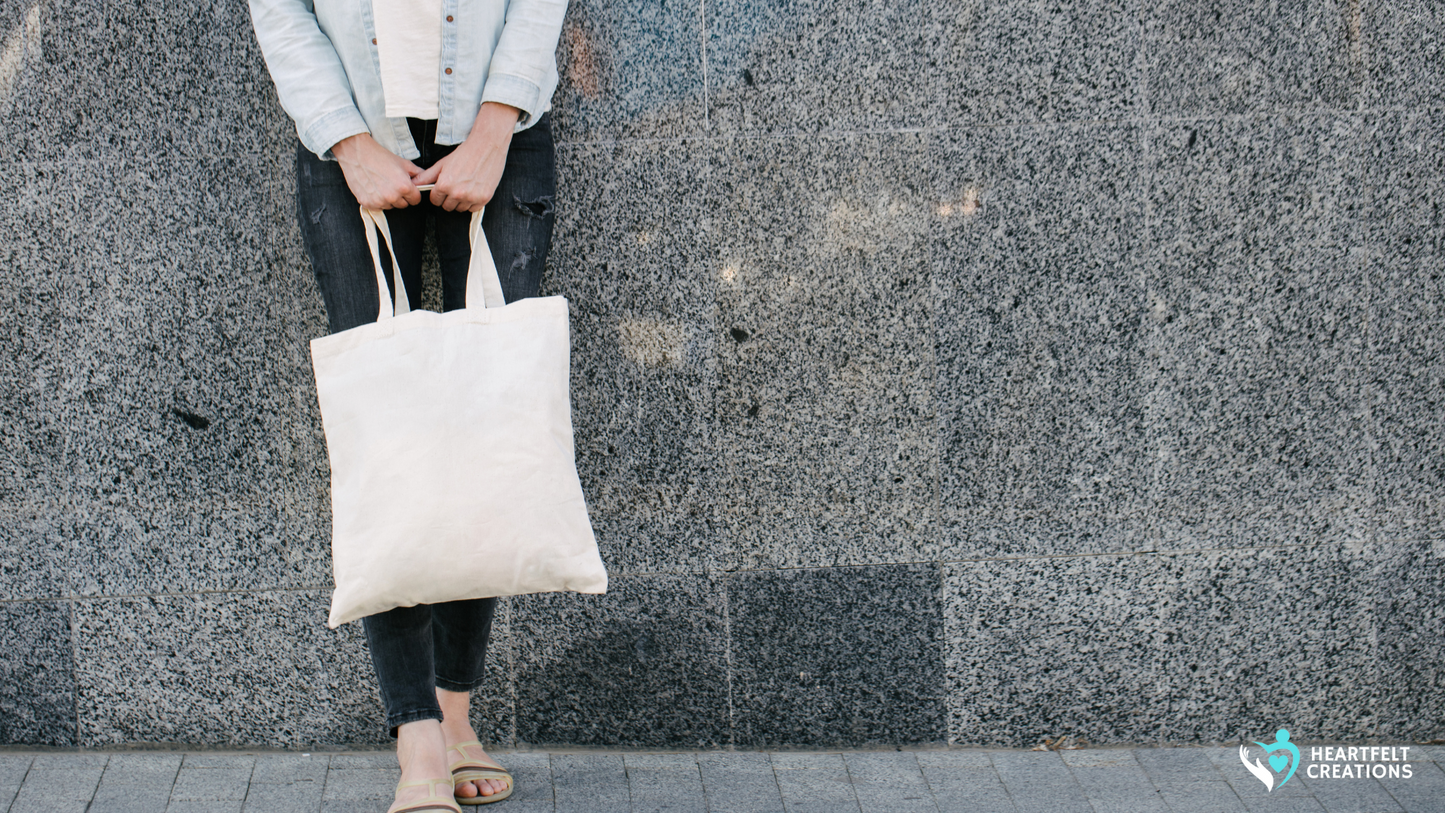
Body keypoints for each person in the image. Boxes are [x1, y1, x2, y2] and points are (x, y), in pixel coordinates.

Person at [248, 1, 568, 809]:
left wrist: (494, 130)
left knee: (486, 424)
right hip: (347, 131)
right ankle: (416, 732)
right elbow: (282, 14)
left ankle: (457, 717)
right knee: (384, 434)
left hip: (501, 126)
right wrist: (350, 144)